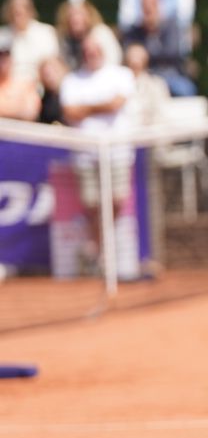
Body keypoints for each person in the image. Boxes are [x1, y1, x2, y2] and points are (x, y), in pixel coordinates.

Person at [58, 35, 136, 276]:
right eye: (87, 50)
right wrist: (101, 105)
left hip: (117, 151)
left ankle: (98, 249)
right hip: (85, 153)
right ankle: (99, 253)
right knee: (91, 204)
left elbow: (116, 104)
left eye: (95, 49)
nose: (91, 53)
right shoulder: (71, 80)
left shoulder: (121, 74)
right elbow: (70, 111)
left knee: (117, 200)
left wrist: (87, 107)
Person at [121, 0, 196, 96]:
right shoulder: (134, 31)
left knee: (185, 90)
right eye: (145, 6)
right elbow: (129, 54)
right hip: (142, 76)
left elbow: (173, 53)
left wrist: (144, 54)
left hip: (170, 75)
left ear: (160, 6)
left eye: (153, 5)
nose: (149, 9)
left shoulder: (172, 26)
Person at [3, 0, 60, 88]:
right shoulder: (2, 36)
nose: (19, 12)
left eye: (23, 9)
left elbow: (52, 67)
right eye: (15, 10)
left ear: (30, 11)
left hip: (40, 87)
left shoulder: (46, 33)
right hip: (8, 88)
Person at [56, 0, 121, 72]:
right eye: (71, 15)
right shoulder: (64, 41)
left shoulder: (101, 33)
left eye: (80, 14)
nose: (75, 18)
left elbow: (114, 59)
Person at [121, 44, 171, 127]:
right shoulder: (119, 83)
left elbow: (161, 113)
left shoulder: (156, 84)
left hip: (148, 129)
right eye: (132, 56)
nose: (135, 61)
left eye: (138, 57)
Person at [0, 33, 40, 121]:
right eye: (0, 56)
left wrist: (3, 111)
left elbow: (30, 113)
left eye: (5, 56)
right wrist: (16, 108)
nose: (2, 61)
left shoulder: (24, 84)